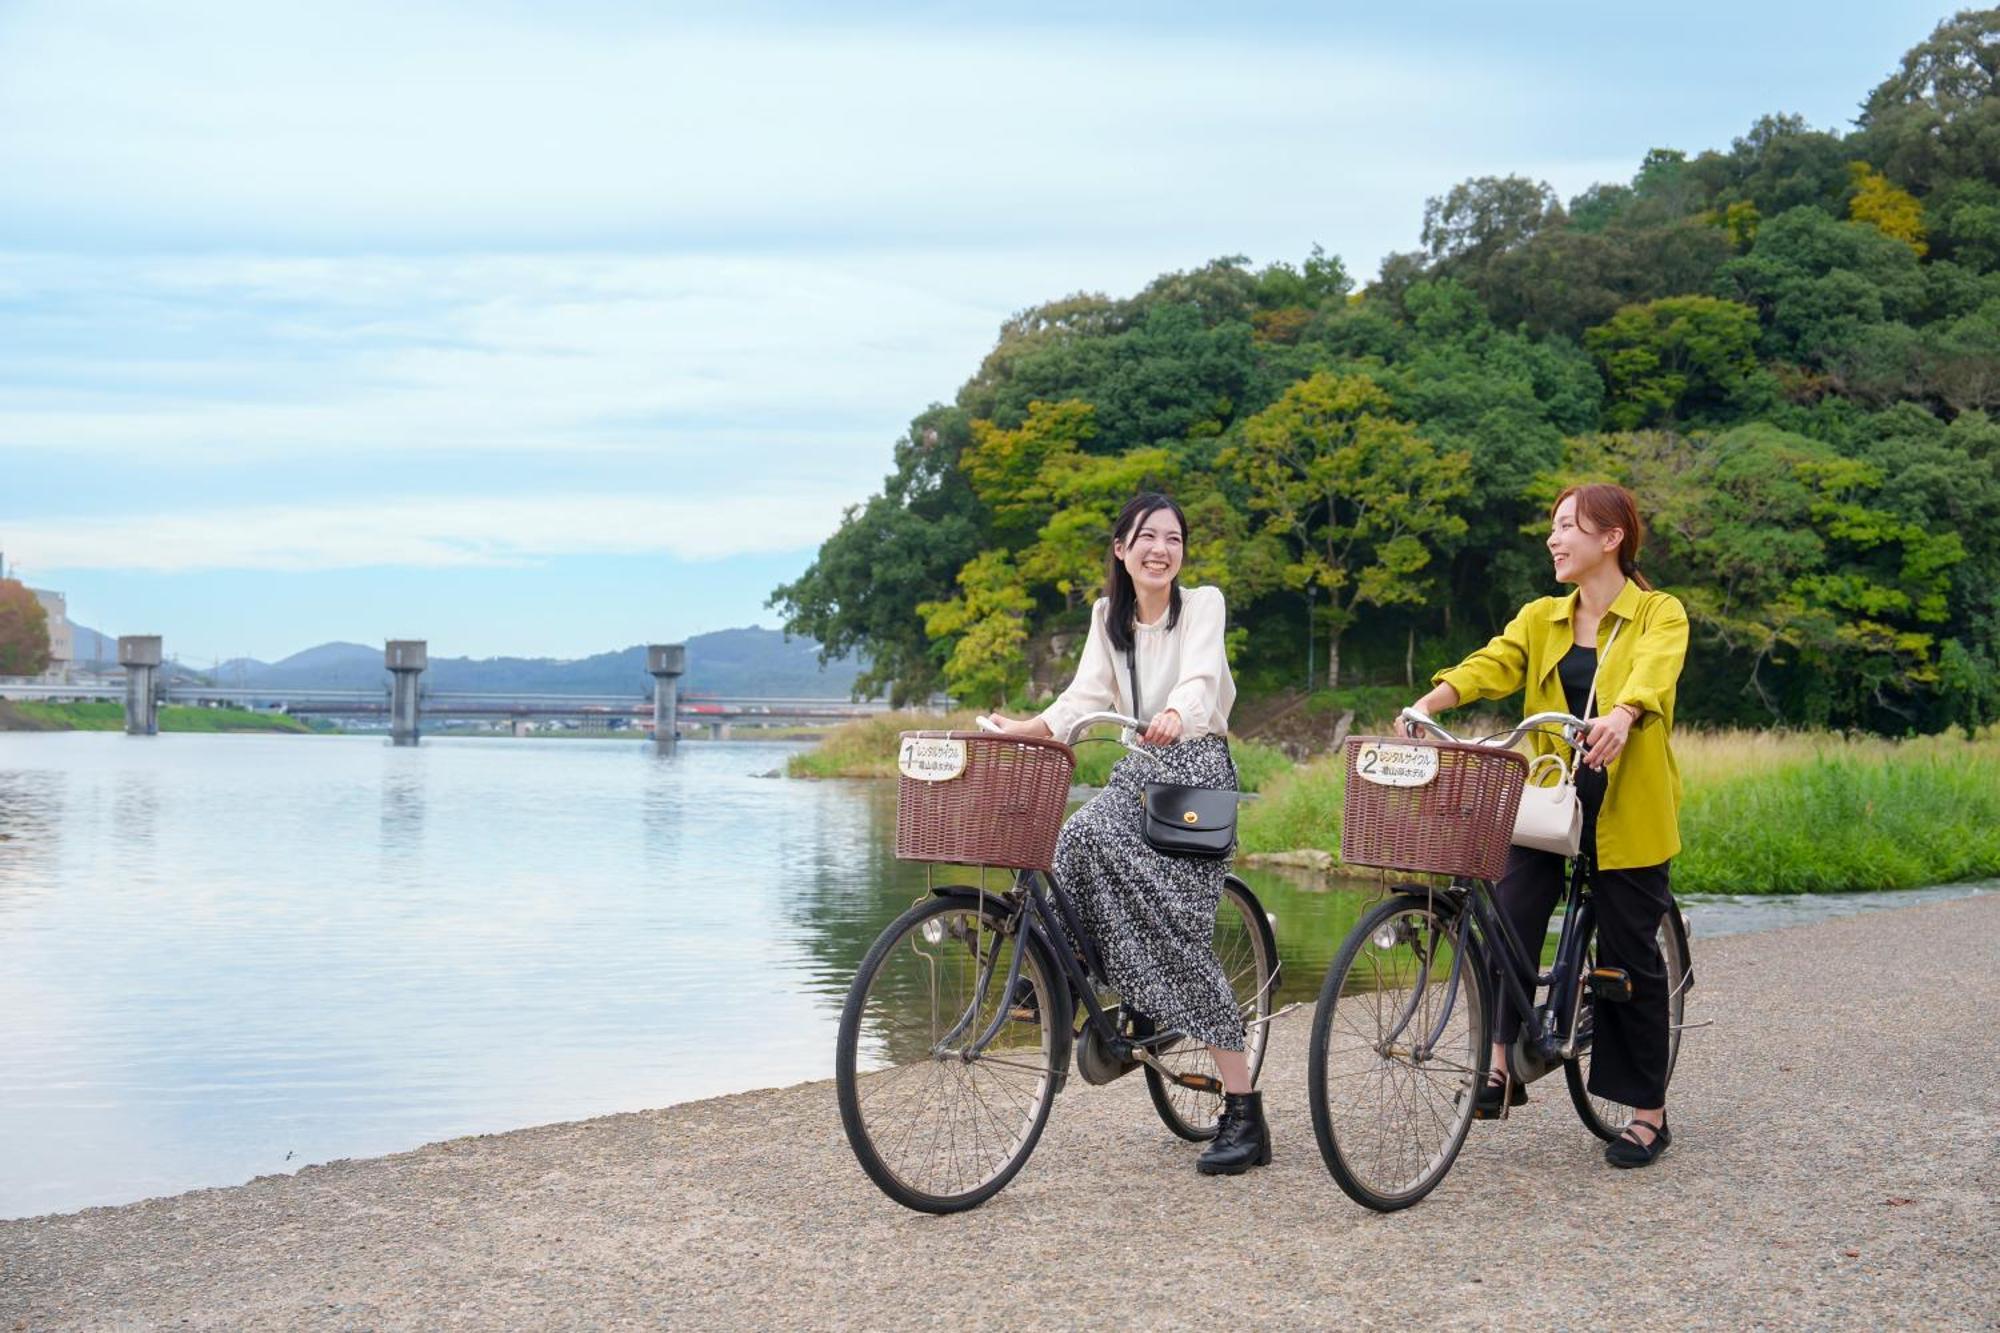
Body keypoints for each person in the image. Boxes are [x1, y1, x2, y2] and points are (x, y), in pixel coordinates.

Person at [1407, 482, 1689, 1168]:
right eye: (1553, 526)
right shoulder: (1542, 616)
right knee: (1509, 910)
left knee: (1626, 957)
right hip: (1547, 797)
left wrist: (1623, 714)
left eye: (1567, 526)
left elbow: (1653, 672)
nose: (1553, 538)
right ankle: (1500, 1063)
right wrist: (1434, 697)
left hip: (1626, 802)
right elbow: (1494, 661)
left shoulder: (1658, 612)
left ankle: (1647, 1113)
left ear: (1611, 537)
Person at [981, 492, 1263, 1175]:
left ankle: (1247, 1114)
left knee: (1175, 931)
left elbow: (1199, 680)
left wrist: (1173, 711)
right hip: (1141, 767)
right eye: (1147, 537)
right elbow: (1082, 697)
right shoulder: (1108, 618)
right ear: (1121, 548)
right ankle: (1079, 985)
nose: (1161, 549)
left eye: (1173, 537)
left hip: (1196, 774)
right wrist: (1026, 728)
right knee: (1074, 838)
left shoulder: (1204, 604)